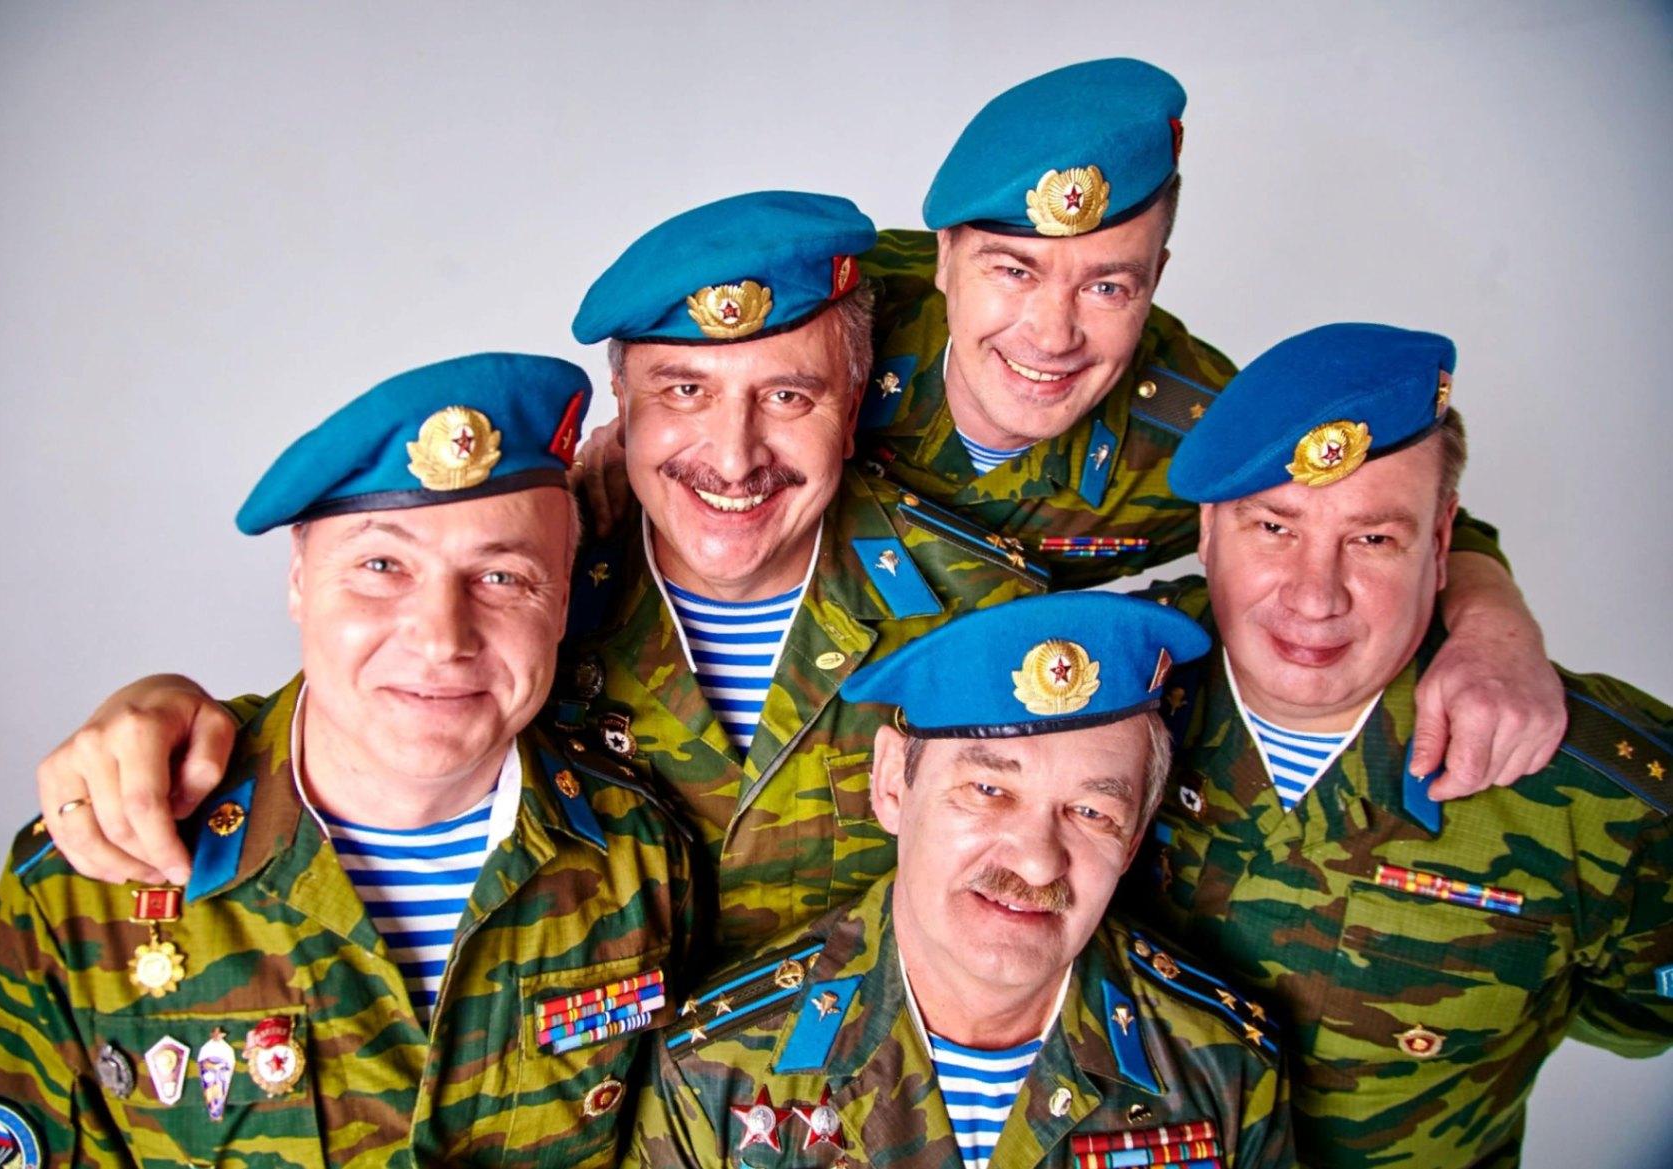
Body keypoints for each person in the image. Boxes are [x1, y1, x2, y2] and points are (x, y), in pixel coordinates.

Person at [31, 192, 1045, 967]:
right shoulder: (530, 581)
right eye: (683, 391)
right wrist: (164, 707)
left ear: (853, 405)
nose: (733, 456)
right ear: (622, 409)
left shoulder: (983, 615)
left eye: (787, 395)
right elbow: (374, 682)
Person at [575, 58, 1567, 801]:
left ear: (1157, 278)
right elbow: (698, 372)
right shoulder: (836, 308)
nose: (1050, 336)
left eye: (1106, 286)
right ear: (941, 256)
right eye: (1013, 271)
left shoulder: (1193, 424)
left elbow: (1389, 510)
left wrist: (1495, 632)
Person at [0, 354, 692, 1167]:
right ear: (298, 580)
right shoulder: (89, 870)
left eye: (503, 575)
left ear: (562, 602)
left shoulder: (642, 855)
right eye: (382, 566)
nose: (441, 637)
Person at [1121, 323, 1673, 1167]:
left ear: (1443, 542)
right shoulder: (1108, 690)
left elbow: (1641, 1018)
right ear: (1206, 529)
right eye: (1274, 527)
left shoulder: (1601, 796)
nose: (1316, 596)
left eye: (1373, 539)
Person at [627, 591, 1295, 1169]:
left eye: (1091, 812)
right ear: (893, 783)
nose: (1037, 863)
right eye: (989, 789)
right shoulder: (717, 1071)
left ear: (1133, 841)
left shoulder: (1222, 1068)